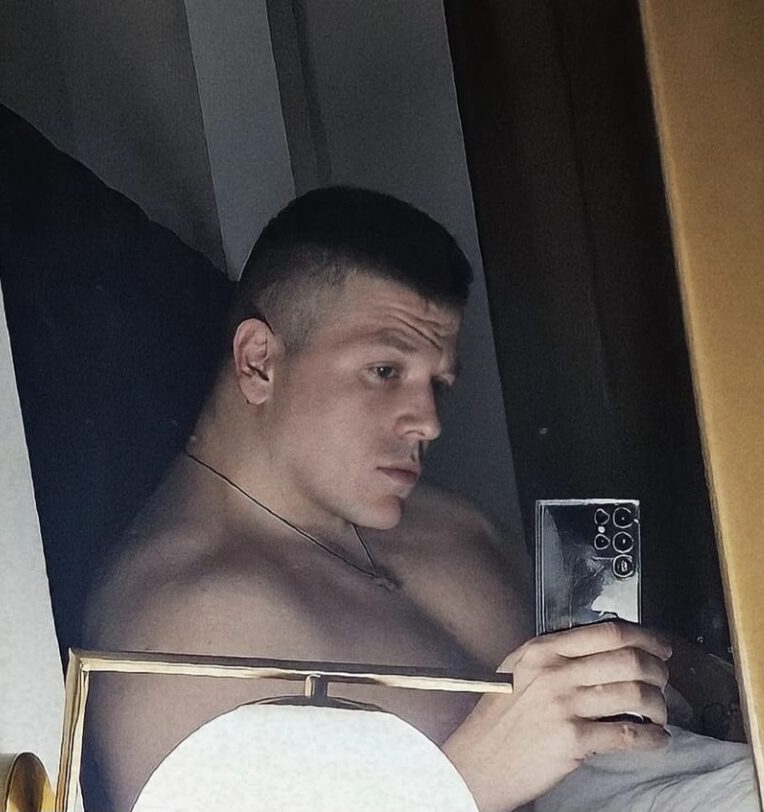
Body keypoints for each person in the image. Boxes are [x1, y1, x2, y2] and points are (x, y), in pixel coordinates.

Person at [83, 186, 672, 812]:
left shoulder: (450, 524)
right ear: (259, 362)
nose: (429, 422)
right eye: (385, 371)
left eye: (437, 384)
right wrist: (467, 781)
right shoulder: (179, 631)